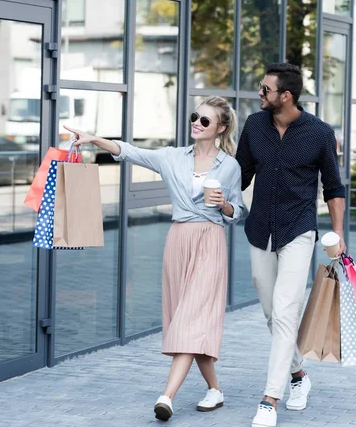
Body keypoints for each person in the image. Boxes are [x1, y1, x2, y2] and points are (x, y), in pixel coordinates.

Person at [65, 96, 244, 422]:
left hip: (210, 241)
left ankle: (167, 396)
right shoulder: (172, 157)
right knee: (187, 322)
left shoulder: (229, 166)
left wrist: (224, 205)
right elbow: (129, 151)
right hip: (178, 240)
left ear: (220, 128)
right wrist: (93, 139)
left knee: (190, 321)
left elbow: (237, 210)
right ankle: (215, 390)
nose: (196, 123)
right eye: (195, 116)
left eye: (205, 121)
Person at [236, 63, 346, 427]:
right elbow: (240, 173)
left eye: (265, 89)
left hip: (299, 230)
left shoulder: (319, 133)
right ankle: (299, 375)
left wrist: (338, 233)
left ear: (286, 95)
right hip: (259, 230)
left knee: (285, 312)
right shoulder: (254, 126)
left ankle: (269, 400)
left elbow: (333, 188)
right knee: (272, 313)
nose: (259, 93)